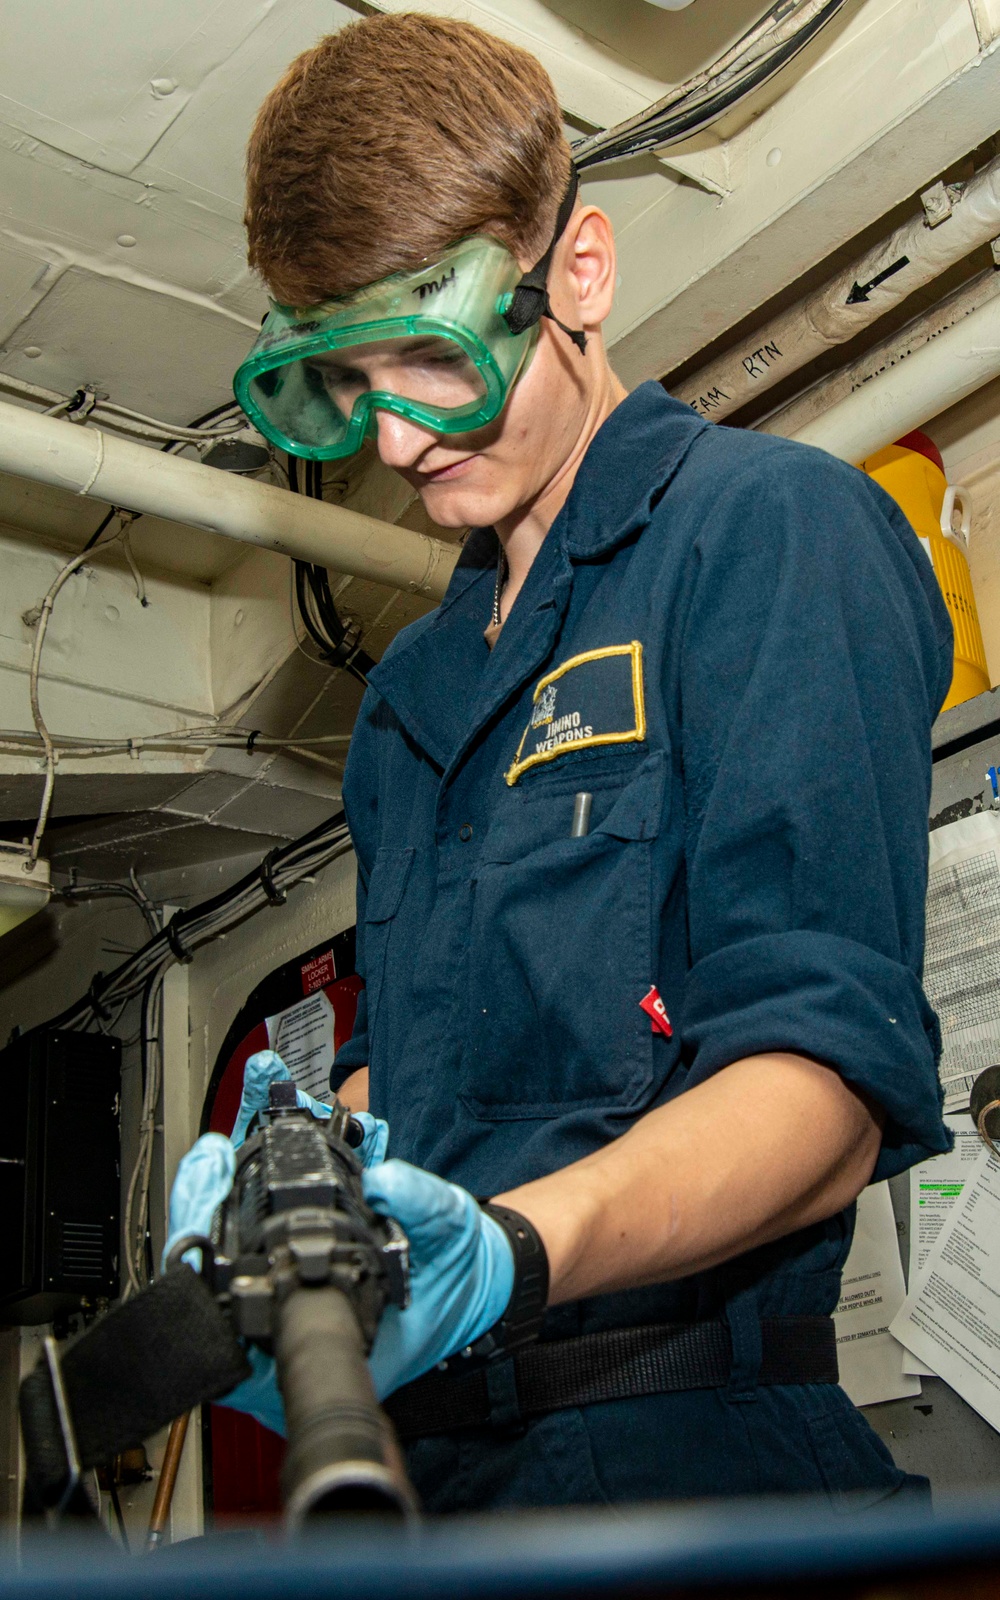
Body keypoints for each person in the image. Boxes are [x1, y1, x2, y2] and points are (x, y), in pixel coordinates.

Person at [170, 12, 953, 1512]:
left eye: (435, 359)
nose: (394, 444)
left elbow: (823, 1077)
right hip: (427, 1473)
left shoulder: (765, 535)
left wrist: (505, 1256)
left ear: (578, 272)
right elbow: (476, 1054)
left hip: (683, 1454)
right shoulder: (409, 704)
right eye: (347, 385)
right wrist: (322, 1164)